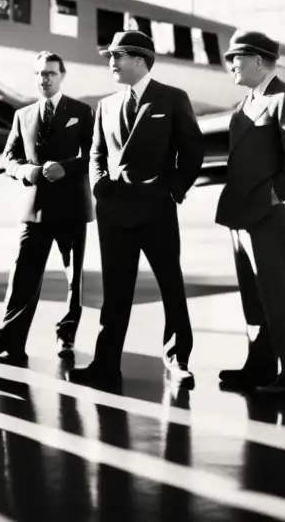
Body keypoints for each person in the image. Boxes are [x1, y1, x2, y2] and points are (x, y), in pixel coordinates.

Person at [69, 30, 204, 386]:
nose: (111, 63)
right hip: (114, 214)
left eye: (118, 56)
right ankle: (105, 364)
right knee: (115, 293)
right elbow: (97, 152)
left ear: (140, 60)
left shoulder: (173, 99)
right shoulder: (106, 105)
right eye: (110, 56)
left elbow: (192, 151)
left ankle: (177, 361)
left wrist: (172, 190)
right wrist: (99, 185)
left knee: (170, 287)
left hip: (156, 210)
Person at [214, 31, 285, 398]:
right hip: (243, 215)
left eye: (235, 59)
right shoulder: (248, 102)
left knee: (282, 294)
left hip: (270, 215)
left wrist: (275, 196)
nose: (230, 66)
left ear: (258, 61)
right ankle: (259, 366)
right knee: (254, 297)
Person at [0, 51, 94, 361]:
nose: (45, 78)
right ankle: (10, 340)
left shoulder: (81, 111)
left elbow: (96, 156)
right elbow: (8, 158)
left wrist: (67, 167)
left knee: (74, 279)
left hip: (72, 208)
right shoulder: (22, 115)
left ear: (62, 76)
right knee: (22, 276)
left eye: (51, 73)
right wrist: (26, 171)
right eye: (41, 73)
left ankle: (66, 336)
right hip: (35, 208)